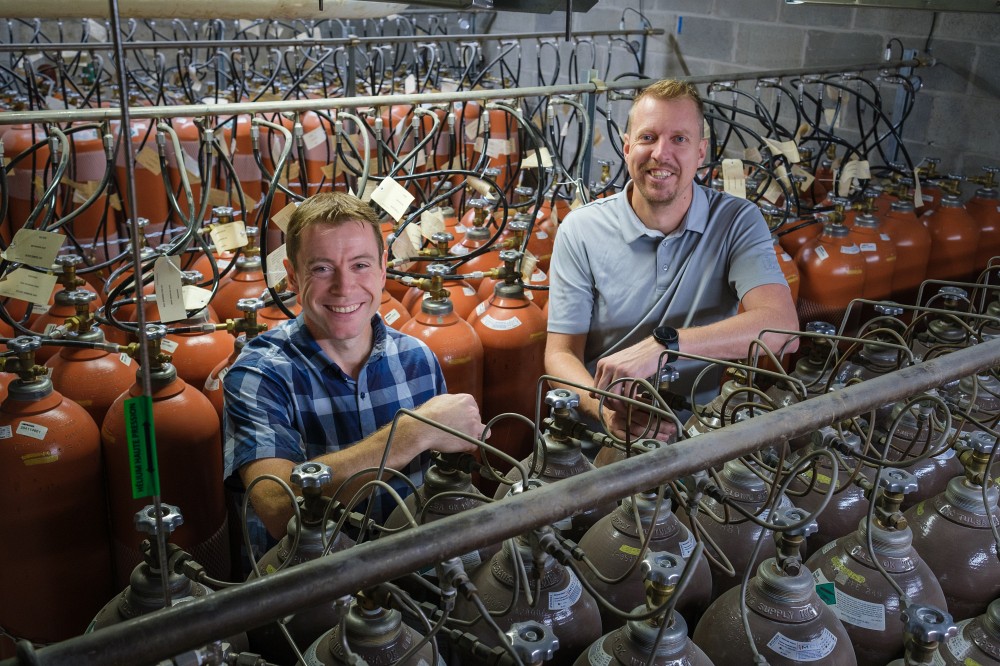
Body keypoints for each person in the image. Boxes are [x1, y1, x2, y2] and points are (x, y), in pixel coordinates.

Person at [223, 192, 485, 563]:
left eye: (360, 265)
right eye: (321, 268)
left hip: (413, 567)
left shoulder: (417, 358)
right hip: (313, 582)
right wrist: (412, 432)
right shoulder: (260, 373)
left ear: (382, 268)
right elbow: (280, 508)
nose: (344, 287)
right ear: (292, 276)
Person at [545, 79, 799, 441]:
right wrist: (604, 411)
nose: (660, 153)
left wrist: (666, 346)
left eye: (679, 139)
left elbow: (783, 328)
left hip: (699, 431)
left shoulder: (737, 221)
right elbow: (560, 354)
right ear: (627, 147)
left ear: (701, 152)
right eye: (648, 137)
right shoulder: (580, 229)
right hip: (601, 433)